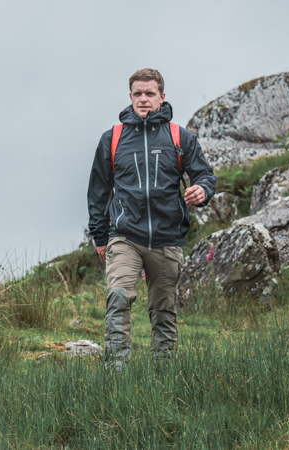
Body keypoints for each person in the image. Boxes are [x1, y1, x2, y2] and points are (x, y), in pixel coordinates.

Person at [86, 68, 216, 369]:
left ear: (162, 97)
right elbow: (98, 192)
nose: (143, 99)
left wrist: (202, 190)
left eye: (149, 94)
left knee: (163, 310)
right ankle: (116, 377)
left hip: (167, 238)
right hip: (124, 235)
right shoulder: (113, 139)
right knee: (118, 297)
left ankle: (163, 378)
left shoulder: (180, 137)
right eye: (137, 94)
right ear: (130, 97)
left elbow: (205, 176)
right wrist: (100, 237)